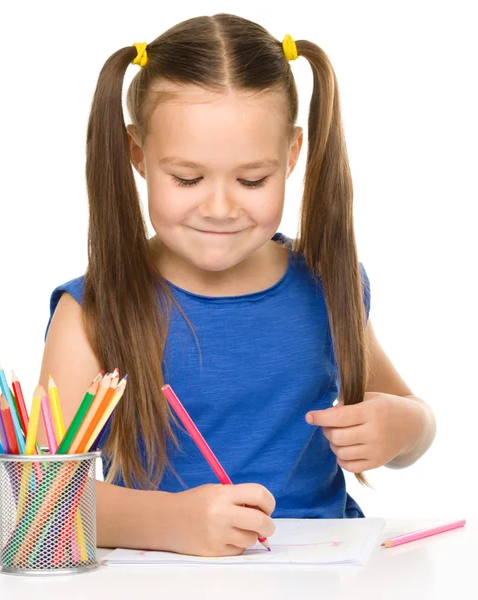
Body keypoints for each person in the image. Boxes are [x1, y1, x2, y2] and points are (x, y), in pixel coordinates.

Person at [37, 13, 436, 557]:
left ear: (292, 155)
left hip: (324, 575)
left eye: (252, 180)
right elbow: (39, 500)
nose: (220, 207)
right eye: (187, 178)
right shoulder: (91, 312)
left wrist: (403, 427)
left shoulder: (326, 285)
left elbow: (411, 422)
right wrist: (171, 522)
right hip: (157, 583)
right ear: (138, 155)